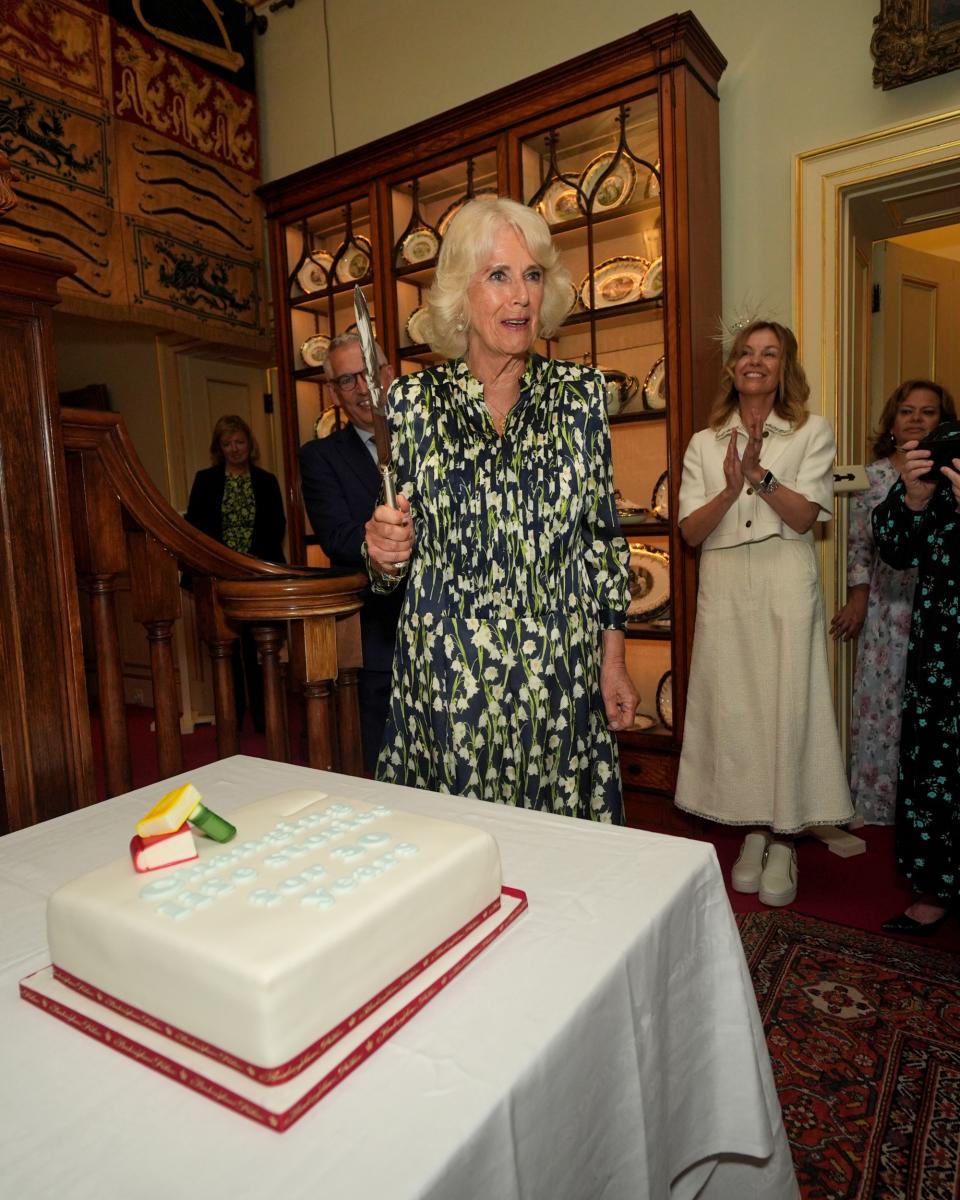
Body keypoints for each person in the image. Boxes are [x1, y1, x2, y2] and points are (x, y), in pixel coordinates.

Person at [363, 195, 637, 821]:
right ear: (461, 294)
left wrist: (613, 661)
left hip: (557, 689)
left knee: (559, 878)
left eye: (533, 275)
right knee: (453, 877)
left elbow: (602, 540)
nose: (521, 295)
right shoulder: (410, 404)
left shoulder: (582, 398)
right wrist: (382, 551)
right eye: (499, 275)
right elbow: (388, 562)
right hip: (447, 688)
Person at [674, 319, 852, 905]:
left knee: (786, 701)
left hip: (784, 574)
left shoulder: (811, 432)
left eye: (769, 353)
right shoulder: (704, 442)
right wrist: (728, 488)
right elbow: (691, 532)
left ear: (785, 367)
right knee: (738, 705)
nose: (755, 361)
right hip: (724, 582)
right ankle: (753, 826)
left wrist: (759, 474)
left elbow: (806, 518)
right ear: (733, 367)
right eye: (746, 353)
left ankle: (785, 837)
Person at [830, 380, 956, 825]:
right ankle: (878, 805)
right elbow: (860, 544)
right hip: (887, 606)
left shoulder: (953, 474)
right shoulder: (874, 474)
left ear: (944, 422)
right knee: (882, 704)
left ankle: (927, 809)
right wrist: (857, 600)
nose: (917, 419)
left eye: (928, 412)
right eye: (907, 410)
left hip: (940, 606)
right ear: (892, 420)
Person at [298, 333, 403, 775]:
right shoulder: (320, 457)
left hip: (455, 636)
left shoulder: (434, 442)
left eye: (370, 374)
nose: (363, 388)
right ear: (333, 393)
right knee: (382, 776)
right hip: (378, 643)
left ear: (390, 374)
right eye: (347, 380)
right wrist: (388, 541)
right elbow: (338, 539)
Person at [875, 431, 960, 935]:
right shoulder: (937, 474)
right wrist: (913, 499)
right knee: (933, 768)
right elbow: (895, 550)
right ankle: (933, 889)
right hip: (939, 656)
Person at [186, 414, 286, 733]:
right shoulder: (205, 480)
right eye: (227, 444)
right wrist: (222, 560)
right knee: (226, 651)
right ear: (219, 447)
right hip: (219, 577)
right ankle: (232, 721)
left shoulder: (267, 481)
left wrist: (252, 558)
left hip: (256, 576)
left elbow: (276, 525)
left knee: (258, 649)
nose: (234, 448)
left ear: (249, 443)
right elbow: (197, 527)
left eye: (239, 442)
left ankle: (262, 718)